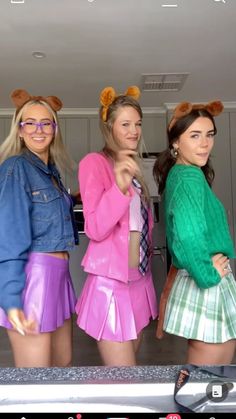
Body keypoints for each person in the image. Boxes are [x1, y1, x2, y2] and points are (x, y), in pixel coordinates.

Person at [75, 86, 158, 366]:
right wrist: (120, 187)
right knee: (123, 376)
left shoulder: (135, 167)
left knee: (127, 373)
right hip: (111, 286)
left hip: (139, 280)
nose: (134, 131)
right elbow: (96, 229)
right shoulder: (94, 163)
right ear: (109, 128)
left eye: (137, 124)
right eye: (125, 124)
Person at [153, 100, 236, 365]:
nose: (205, 143)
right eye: (195, 135)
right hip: (206, 278)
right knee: (209, 380)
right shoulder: (188, 177)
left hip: (204, 276)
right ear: (176, 142)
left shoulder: (185, 173)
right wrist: (208, 273)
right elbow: (189, 235)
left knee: (212, 375)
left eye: (209, 135)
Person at [0, 89, 79, 367]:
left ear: (54, 129)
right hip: (34, 277)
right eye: (29, 123)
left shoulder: (52, 172)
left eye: (46, 122)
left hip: (59, 277)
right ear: (19, 130)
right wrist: (10, 297)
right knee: (36, 377)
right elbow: (9, 237)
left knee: (62, 366)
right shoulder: (15, 168)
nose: (38, 129)